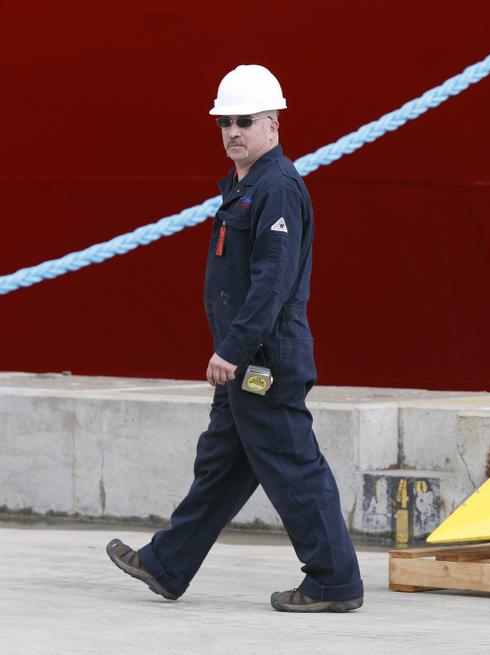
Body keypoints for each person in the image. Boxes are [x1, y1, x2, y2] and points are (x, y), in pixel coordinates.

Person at [106, 64, 364, 613]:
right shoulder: (245, 187)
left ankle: (334, 581)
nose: (232, 131)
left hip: (263, 356)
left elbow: (272, 281)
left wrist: (232, 349)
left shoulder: (276, 187)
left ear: (273, 123)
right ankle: (167, 563)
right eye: (224, 122)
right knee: (222, 465)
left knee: (293, 464)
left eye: (244, 120)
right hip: (250, 357)